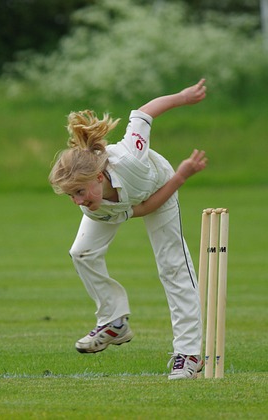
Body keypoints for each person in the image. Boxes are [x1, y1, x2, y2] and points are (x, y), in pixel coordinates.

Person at [48, 79, 208, 380]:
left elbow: (143, 113)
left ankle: (188, 354)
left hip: (161, 184)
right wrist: (87, 199)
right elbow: (139, 210)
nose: (77, 202)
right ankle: (114, 321)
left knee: (173, 267)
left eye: (80, 192)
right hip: (127, 202)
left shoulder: (130, 158)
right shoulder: (90, 204)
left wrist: (183, 97)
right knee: (81, 252)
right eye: (71, 195)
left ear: (98, 176)